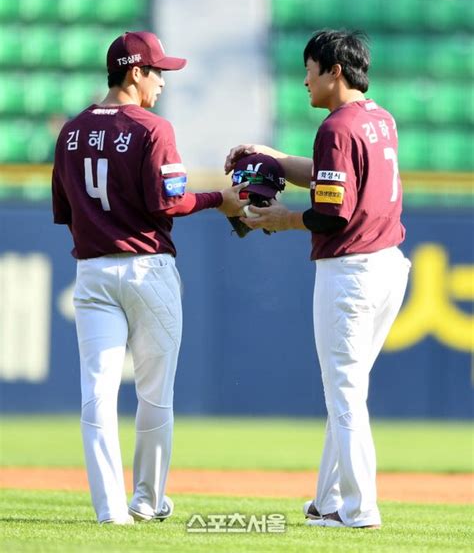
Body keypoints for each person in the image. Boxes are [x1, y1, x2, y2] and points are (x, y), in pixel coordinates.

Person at [52, 31, 248, 525]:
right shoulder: (152, 128)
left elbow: (64, 211)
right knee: (154, 394)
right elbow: (171, 202)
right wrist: (218, 199)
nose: (162, 82)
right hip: (147, 269)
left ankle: (109, 511)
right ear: (134, 72)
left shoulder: (70, 131)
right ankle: (147, 499)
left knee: (96, 394)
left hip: (93, 272)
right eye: (158, 71)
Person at [225, 30, 411, 529]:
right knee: (345, 390)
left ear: (334, 71)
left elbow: (331, 213)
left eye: (310, 67)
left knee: (344, 393)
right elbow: (336, 173)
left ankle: (359, 510)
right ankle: (329, 502)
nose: (304, 78)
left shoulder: (335, 128)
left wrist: (280, 219)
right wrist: (276, 158)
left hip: (351, 270)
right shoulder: (378, 117)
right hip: (389, 264)